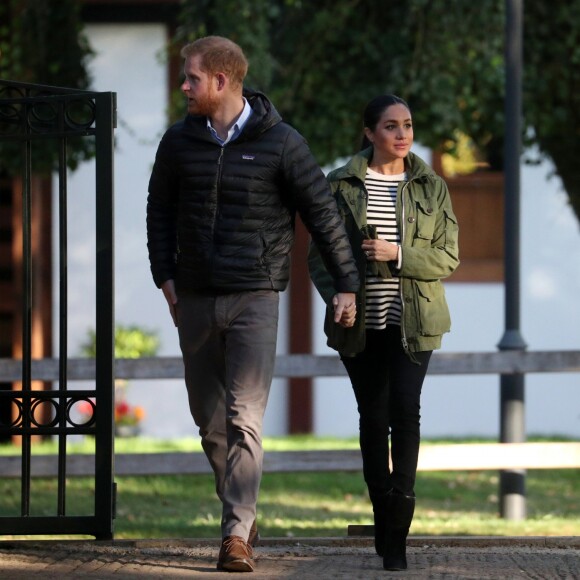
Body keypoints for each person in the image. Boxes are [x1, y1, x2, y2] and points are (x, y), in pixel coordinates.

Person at [146, 36, 359, 573]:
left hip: (255, 297)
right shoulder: (178, 142)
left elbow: (324, 216)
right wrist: (165, 280)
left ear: (221, 80)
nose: (184, 86)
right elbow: (159, 212)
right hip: (193, 296)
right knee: (209, 419)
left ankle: (235, 533)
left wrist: (347, 284)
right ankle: (241, 507)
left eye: (191, 77)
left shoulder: (282, 143)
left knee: (245, 417)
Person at [308, 94, 459, 571]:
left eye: (408, 125)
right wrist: (338, 294)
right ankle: (382, 515)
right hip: (360, 327)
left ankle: (399, 527)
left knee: (406, 414)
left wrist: (397, 254)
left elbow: (448, 256)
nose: (402, 135)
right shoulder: (340, 185)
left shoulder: (431, 185)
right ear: (369, 132)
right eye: (391, 126)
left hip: (415, 322)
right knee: (373, 419)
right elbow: (320, 256)